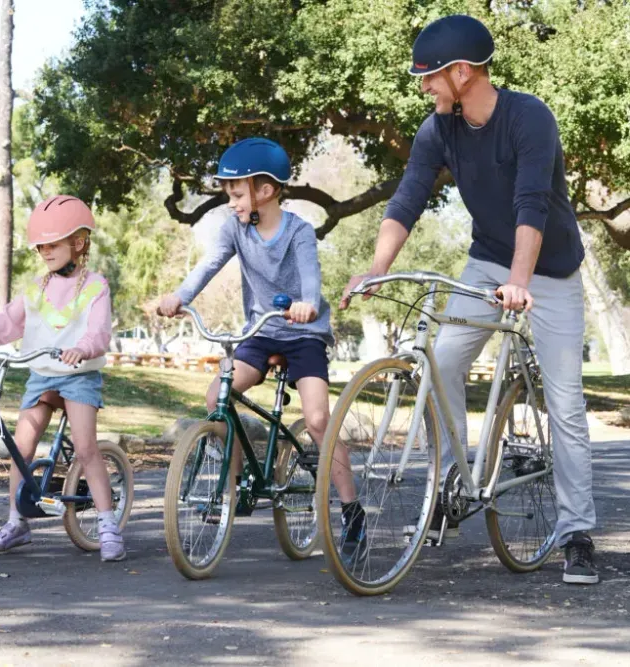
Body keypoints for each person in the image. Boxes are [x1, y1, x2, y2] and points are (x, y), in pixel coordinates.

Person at [341, 15, 598, 585]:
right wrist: (377, 269)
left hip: (550, 268)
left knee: (566, 405)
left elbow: (532, 205)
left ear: (462, 73)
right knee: (445, 357)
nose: (423, 86)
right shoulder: (438, 129)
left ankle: (577, 531)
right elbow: (407, 197)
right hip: (486, 262)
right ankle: (453, 483)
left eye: (430, 76)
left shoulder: (528, 117)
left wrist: (522, 282)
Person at [157, 137, 367, 562]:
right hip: (262, 332)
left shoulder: (299, 231)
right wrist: (180, 296)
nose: (231, 202)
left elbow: (310, 276)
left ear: (265, 191)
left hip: (304, 332)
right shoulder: (234, 228)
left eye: (237, 193)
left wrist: (307, 303)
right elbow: (210, 263)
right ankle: (229, 490)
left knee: (319, 419)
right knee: (217, 396)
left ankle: (352, 511)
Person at [0, 195, 126, 562]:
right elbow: (9, 322)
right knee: (21, 448)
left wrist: (84, 347)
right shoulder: (36, 287)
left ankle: (108, 524)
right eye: (41, 245)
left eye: (53, 244)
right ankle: (17, 523)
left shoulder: (95, 286)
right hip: (41, 374)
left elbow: (99, 331)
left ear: (78, 244)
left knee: (85, 448)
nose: (45, 251)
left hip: (79, 376)